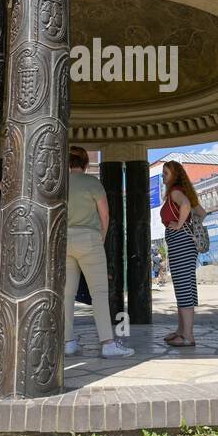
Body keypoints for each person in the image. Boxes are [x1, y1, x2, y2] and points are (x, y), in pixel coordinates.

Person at [63, 146, 133, 359]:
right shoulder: (93, 183)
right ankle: (108, 343)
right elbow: (105, 214)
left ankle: (68, 342)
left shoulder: (61, 183)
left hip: (65, 240)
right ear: (85, 163)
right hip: (89, 239)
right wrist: (101, 237)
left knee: (67, 294)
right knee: (99, 294)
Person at [159, 160, 201, 347]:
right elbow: (202, 212)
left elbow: (184, 206)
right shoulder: (183, 192)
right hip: (185, 244)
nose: (163, 177)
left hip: (181, 243)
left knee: (183, 288)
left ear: (174, 175)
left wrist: (180, 224)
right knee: (185, 287)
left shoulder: (176, 192)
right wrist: (190, 225)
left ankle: (187, 336)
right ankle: (181, 331)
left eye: (165, 173)